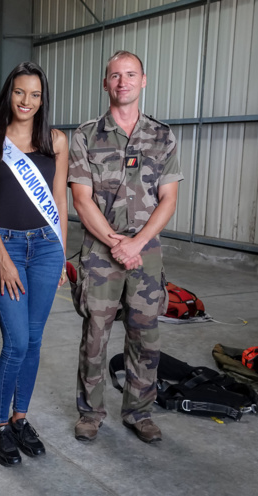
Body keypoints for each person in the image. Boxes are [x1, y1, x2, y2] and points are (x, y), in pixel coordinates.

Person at [68, 50, 183, 444]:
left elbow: (168, 198)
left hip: (145, 253)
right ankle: (90, 413)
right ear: (106, 83)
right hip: (101, 255)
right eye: (115, 76)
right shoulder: (85, 136)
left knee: (145, 334)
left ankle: (139, 411)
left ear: (143, 80)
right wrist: (117, 243)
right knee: (95, 335)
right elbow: (81, 199)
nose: (123, 82)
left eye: (130, 74)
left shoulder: (162, 135)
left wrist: (137, 243)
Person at [0, 62, 68, 466]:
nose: (26, 101)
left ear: (43, 98)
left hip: (47, 247)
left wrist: (62, 253)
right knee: (17, 341)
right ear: (8, 94)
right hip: (7, 246)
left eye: (35, 94)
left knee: (35, 340)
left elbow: (59, 200)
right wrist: (2, 259)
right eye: (19, 92)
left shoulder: (57, 141)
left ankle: (20, 418)